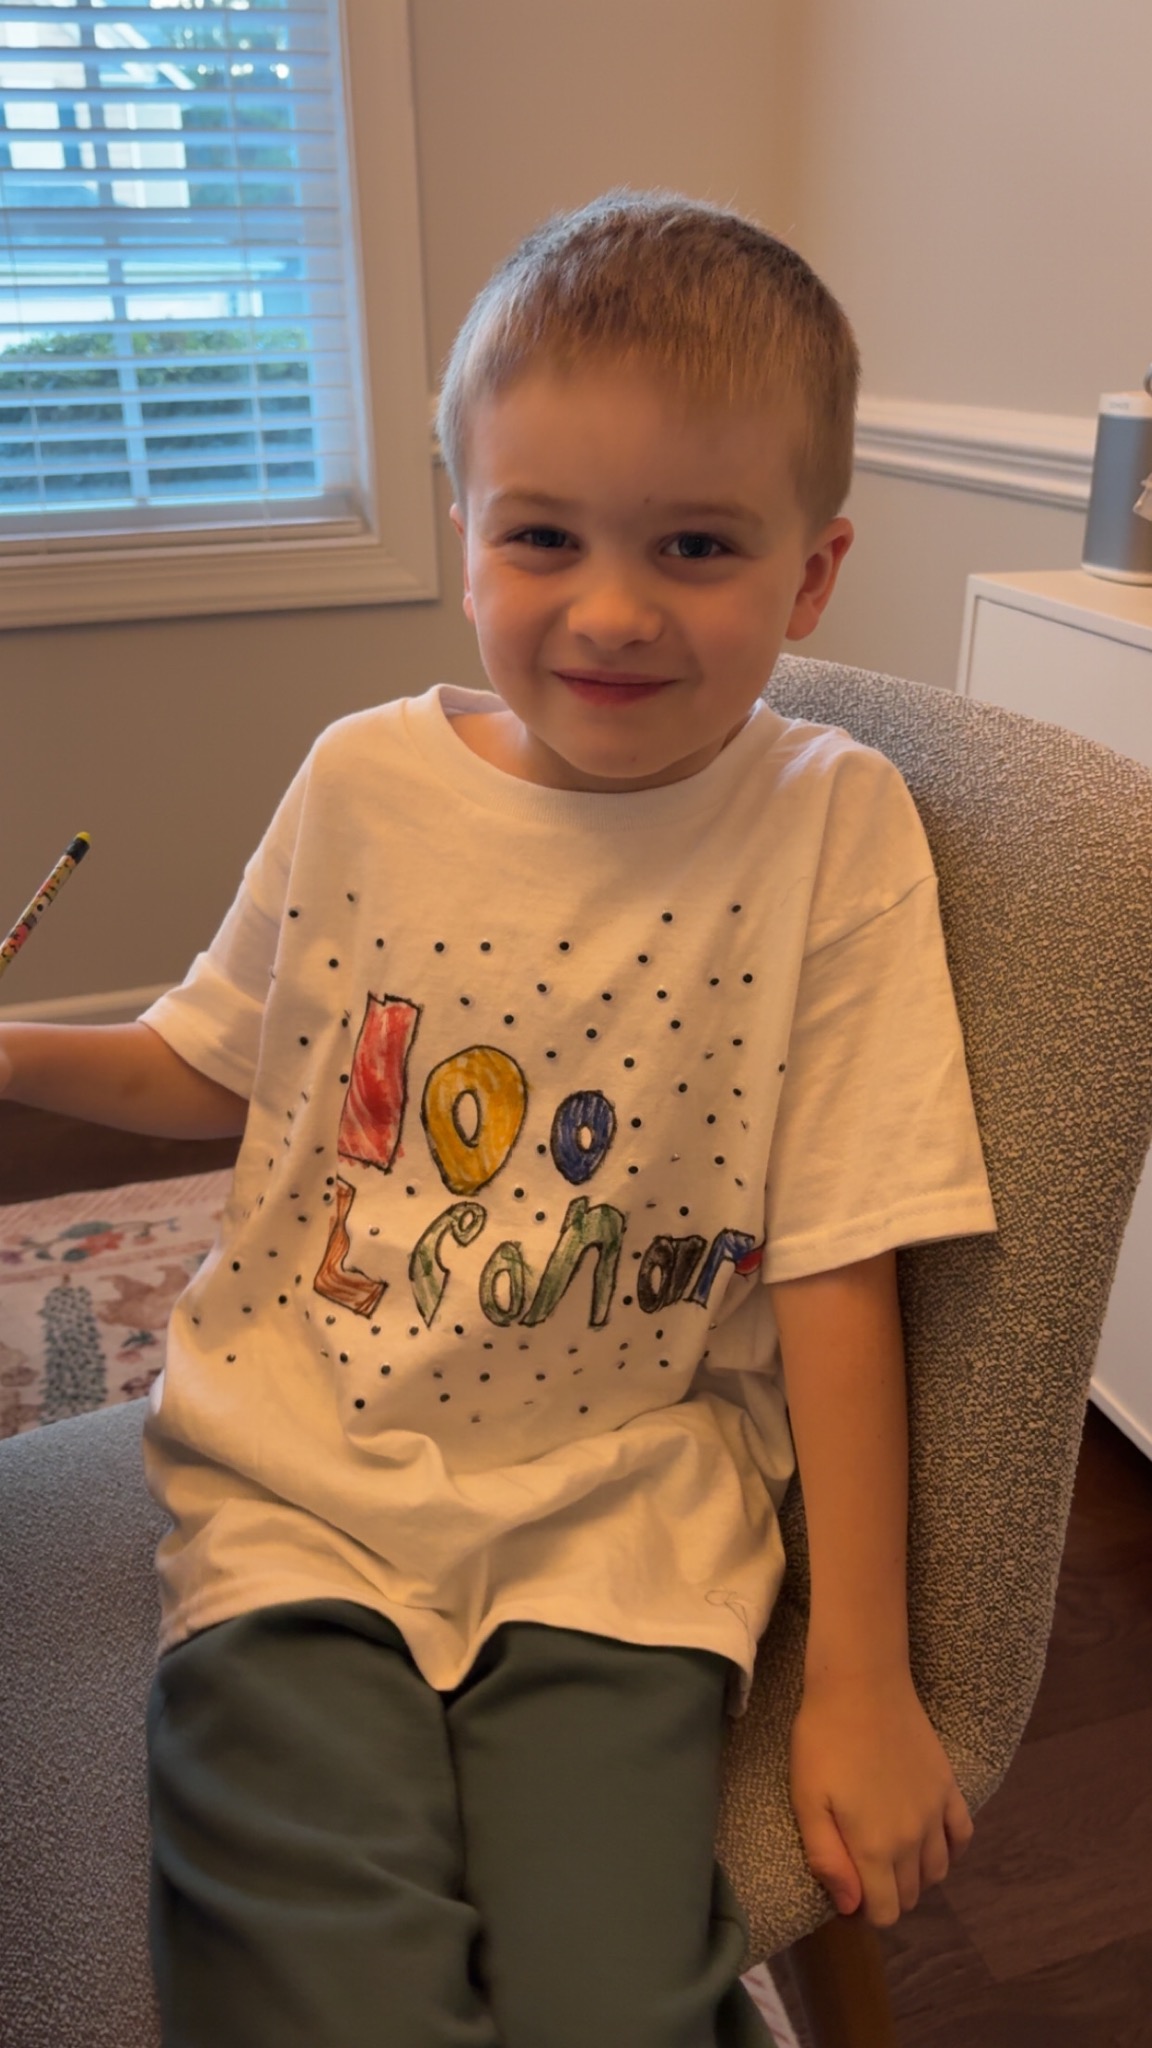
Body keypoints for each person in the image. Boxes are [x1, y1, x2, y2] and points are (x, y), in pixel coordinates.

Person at [0, 189, 998, 2048]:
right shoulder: (361, 780)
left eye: (695, 544)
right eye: (544, 535)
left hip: (624, 1524)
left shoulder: (834, 825)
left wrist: (863, 1674)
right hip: (299, 1484)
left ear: (812, 575)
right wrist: (15, 1053)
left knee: (612, 1991)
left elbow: (845, 1257)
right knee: (308, 1980)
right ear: (465, 531)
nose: (611, 608)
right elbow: (207, 1062)